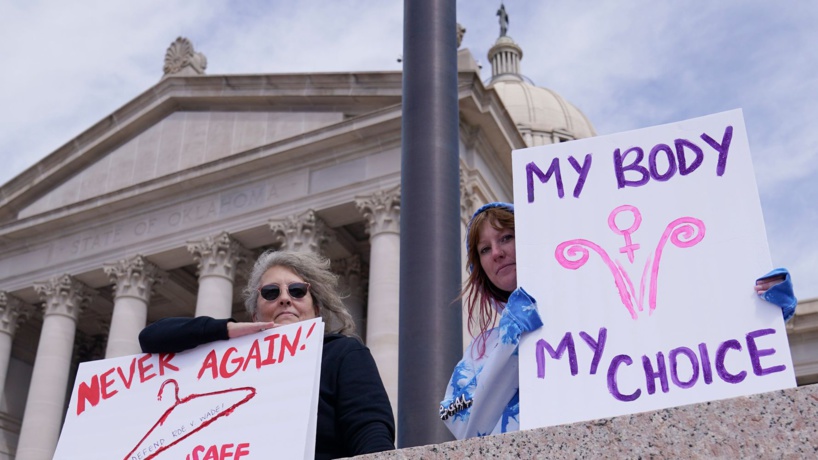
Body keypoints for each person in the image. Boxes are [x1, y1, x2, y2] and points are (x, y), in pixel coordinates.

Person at [439, 202, 797, 440]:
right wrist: (509, 344)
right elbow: (464, 427)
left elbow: (682, 336)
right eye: (485, 249)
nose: (497, 252)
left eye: (506, 237)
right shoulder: (478, 353)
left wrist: (759, 305)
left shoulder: (601, 303)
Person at [139, 250, 395, 460]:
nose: (285, 299)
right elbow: (151, 338)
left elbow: (369, 431)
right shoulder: (234, 361)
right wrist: (224, 330)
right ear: (255, 314)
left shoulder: (341, 353)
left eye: (297, 291)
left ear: (316, 308)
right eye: (271, 293)